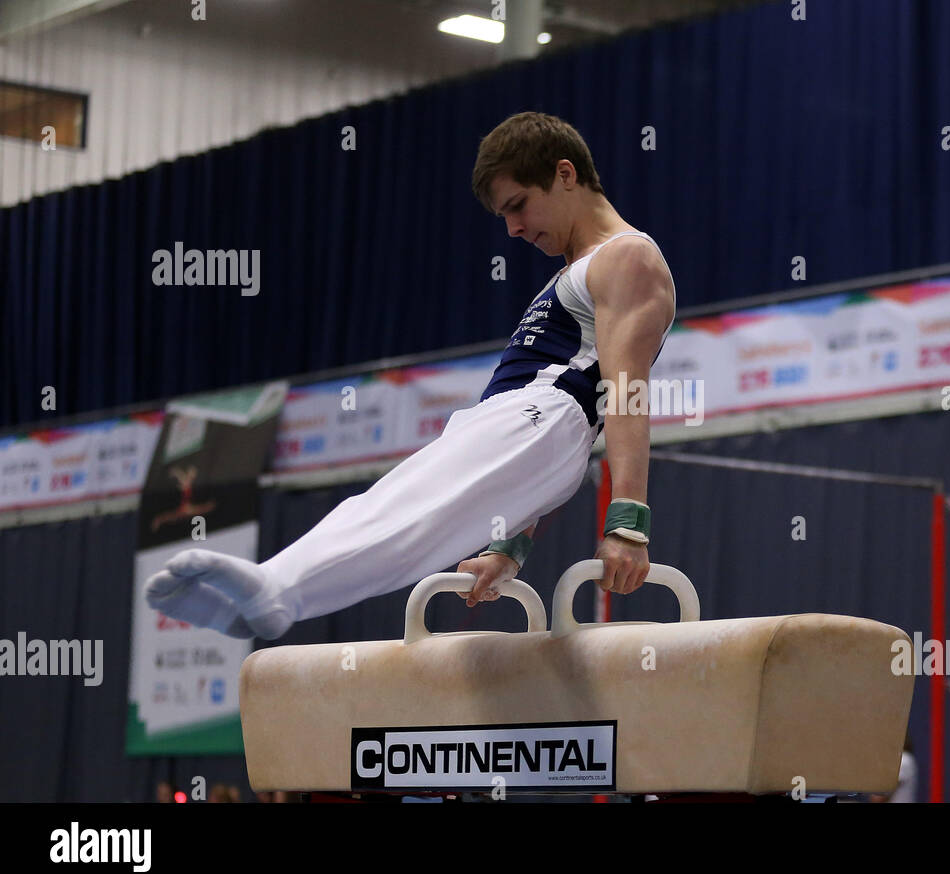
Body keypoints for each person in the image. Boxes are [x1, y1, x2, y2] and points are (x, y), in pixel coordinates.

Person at [143, 112, 677, 640]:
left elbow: (625, 394)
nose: (513, 228)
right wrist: (506, 545)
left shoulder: (625, 257)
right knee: (402, 514)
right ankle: (281, 592)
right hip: (526, 422)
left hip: (541, 414)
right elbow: (533, 462)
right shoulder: (576, 270)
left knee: (403, 509)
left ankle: (279, 589)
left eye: (518, 205)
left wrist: (627, 522)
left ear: (565, 174)